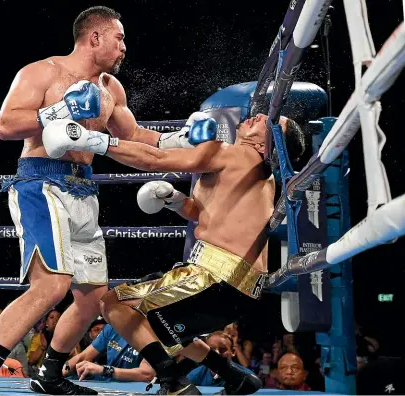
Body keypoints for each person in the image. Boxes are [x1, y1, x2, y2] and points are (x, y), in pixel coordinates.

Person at [0, 5, 209, 396]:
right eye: (119, 38)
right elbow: (5, 126)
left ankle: (50, 376)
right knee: (51, 287)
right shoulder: (43, 72)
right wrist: (59, 111)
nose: (125, 47)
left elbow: (135, 135)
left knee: (92, 297)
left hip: (84, 190)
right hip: (41, 183)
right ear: (95, 38)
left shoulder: (111, 89)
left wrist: (182, 137)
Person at [41, 112, 306, 394]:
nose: (261, 114)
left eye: (271, 121)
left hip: (216, 276)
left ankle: (172, 380)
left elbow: (156, 160)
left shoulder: (239, 155)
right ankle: (234, 376)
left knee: (113, 304)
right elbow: (204, 213)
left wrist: (90, 140)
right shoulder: (251, 171)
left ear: (266, 145)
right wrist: (174, 200)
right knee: (154, 324)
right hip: (231, 283)